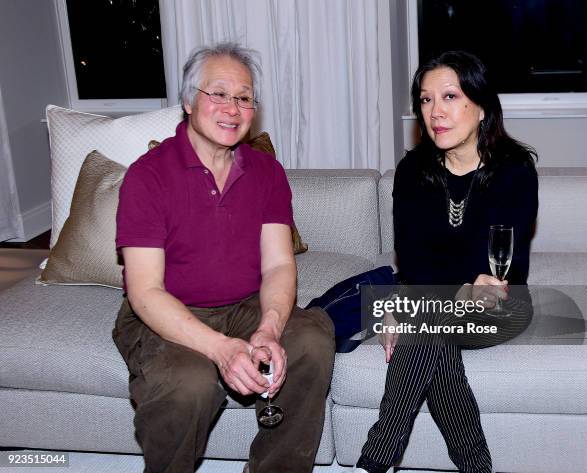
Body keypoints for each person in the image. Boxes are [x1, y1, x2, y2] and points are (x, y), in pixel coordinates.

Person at [112, 42, 335, 473]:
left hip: (244, 306)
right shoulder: (147, 175)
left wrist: (269, 330)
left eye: (244, 97)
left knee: (309, 338)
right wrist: (221, 350)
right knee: (189, 383)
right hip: (167, 310)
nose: (232, 108)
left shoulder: (267, 172)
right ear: (188, 101)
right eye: (218, 93)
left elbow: (278, 264)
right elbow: (145, 291)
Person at [355, 51, 538, 473]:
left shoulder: (514, 170)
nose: (435, 112)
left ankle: (376, 462)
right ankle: (476, 467)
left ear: (481, 105)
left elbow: (507, 270)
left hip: (501, 306)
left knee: (421, 319)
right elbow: (415, 263)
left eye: (450, 96)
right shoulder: (413, 170)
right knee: (429, 326)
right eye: (425, 99)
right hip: (432, 301)